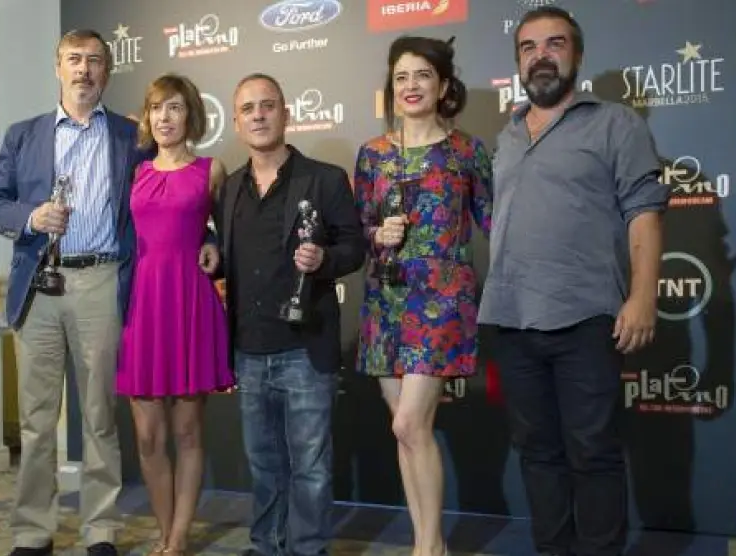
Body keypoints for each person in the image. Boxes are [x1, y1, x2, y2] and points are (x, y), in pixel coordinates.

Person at [0, 29, 208, 556]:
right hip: (38, 284)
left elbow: (176, 197)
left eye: (95, 61)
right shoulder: (23, 135)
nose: (84, 69)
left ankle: (99, 530)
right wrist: (31, 217)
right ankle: (33, 531)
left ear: (107, 71)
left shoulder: (132, 137)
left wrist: (209, 240)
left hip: (102, 282)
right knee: (36, 421)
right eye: (74, 59)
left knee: (100, 417)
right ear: (57, 67)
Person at [478, 7, 668, 556]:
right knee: (537, 454)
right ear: (519, 62)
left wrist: (643, 295)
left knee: (594, 453)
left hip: (585, 317)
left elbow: (644, 213)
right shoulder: (508, 134)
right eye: (529, 47)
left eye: (554, 44)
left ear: (576, 55)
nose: (541, 56)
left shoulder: (616, 124)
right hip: (512, 320)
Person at [213, 73, 367, 556]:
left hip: (305, 348)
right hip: (248, 349)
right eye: (248, 108)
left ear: (286, 113)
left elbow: (355, 247)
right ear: (236, 122)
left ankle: (307, 548)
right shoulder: (229, 189)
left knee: (311, 467)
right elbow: (224, 257)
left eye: (268, 105)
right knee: (263, 465)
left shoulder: (324, 179)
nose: (258, 115)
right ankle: (267, 545)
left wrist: (325, 259)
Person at [353, 35, 493, 556]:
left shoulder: (467, 152)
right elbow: (358, 228)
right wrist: (377, 234)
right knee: (408, 432)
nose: (411, 86)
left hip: (442, 300)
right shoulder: (373, 154)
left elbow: (496, 222)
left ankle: (428, 549)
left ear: (443, 85)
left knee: (409, 421)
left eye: (423, 75)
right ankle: (428, 543)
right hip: (385, 299)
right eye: (402, 77)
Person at [115, 73, 233, 555]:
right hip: (140, 305)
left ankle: (178, 537)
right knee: (148, 436)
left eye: (175, 108)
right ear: (147, 116)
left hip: (189, 303)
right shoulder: (134, 170)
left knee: (187, 431)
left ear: (191, 116)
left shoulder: (212, 170)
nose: (164, 117)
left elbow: (227, 235)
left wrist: (213, 246)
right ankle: (164, 530)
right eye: (156, 108)